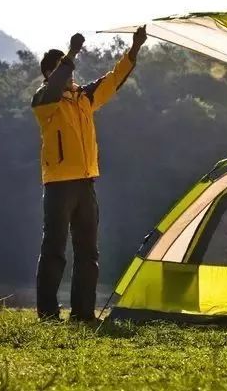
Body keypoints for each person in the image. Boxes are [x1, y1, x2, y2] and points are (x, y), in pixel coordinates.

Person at [31, 27, 148, 322]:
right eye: (61, 69)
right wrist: (71, 53)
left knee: (88, 252)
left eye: (70, 69)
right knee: (55, 250)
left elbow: (113, 79)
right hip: (58, 184)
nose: (70, 74)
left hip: (85, 182)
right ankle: (47, 313)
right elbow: (57, 83)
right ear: (48, 74)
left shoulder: (84, 98)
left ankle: (83, 313)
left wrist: (134, 48)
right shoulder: (44, 101)